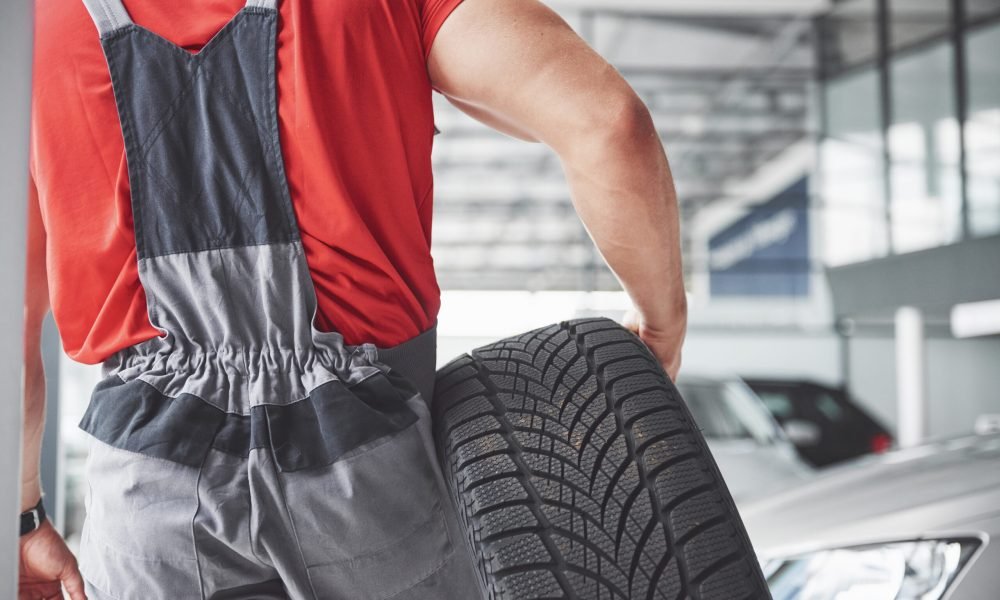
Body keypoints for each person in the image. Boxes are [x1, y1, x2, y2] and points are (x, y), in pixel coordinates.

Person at [19, 0, 687, 597]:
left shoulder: (29, 31)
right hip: (364, 461)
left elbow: (14, 320)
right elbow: (608, 124)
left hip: (148, 482)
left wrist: (21, 510)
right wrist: (661, 328)